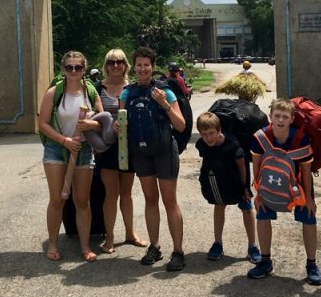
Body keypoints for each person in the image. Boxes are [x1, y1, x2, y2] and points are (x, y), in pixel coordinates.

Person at [119, 46, 188, 272]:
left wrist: (164, 104)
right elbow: (120, 123)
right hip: (141, 153)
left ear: (152, 66)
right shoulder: (127, 93)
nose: (142, 68)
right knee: (150, 199)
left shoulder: (164, 91)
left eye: (146, 65)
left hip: (165, 151)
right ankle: (155, 247)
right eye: (138, 64)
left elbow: (180, 125)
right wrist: (116, 125)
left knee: (169, 201)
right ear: (134, 66)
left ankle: (178, 251)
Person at [37, 51, 104, 262]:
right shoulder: (54, 92)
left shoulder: (91, 92)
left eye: (78, 67)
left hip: (83, 150)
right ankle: (53, 244)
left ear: (84, 69)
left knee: (82, 200)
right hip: (57, 148)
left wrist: (90, 124)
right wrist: (64, 140)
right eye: (69, 67)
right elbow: (43, 124)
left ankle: (85, 247)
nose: (74, 71)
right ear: (63, 69)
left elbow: (103, 121)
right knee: (57, 199)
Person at [248, 98, 321, 283]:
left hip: (298, 185)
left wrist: (309, 199)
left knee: (309, 218)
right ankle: (265, 261)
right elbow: (256, 168)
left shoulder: (301, 139)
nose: (280, 120)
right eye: (277, 116)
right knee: (263, 215)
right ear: (270, 117)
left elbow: (306, 171)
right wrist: (258, 193)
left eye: (285, 116)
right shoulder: (261, 137)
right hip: (268, 183)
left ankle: (311, 264)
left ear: (292, 119)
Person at [94, 48, 146, 253]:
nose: (116, 66)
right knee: (111, 193)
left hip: (128, 146)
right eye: (112, 62)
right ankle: (109, 237)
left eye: (120, 62)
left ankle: (130, 233)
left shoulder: (132, 88)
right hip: (107, 147)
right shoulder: (98, 88)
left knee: (126, 192)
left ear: (125, 65)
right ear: (106, 65)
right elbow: (94, 118)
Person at [195, 112, 260, 264]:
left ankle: (252, 246)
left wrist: (244, 187)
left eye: (211, 133)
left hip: (238, 179)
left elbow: (242, 166)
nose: (208, 138)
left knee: (246, 208)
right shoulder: (202, 145)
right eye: (204, 134)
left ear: (219, 131)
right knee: (219, 206)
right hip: (220, 179)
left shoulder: (233, 145)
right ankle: (218, 243)